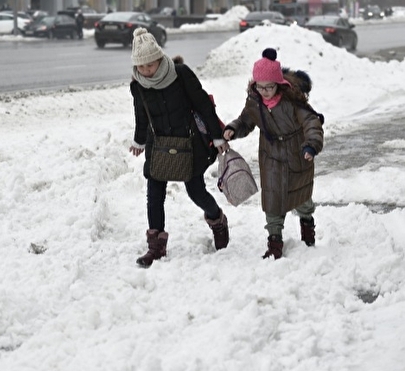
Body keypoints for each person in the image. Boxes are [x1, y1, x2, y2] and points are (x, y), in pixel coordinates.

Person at [128, 27, 229, 268]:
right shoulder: (138, 84)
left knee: (195, 192)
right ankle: (155, 246)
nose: (146, 71)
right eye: (140, 67)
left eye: (149, 65)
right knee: (154, 196)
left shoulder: (180, 74)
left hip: (189, 143)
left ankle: (217, 219)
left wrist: (217, 136)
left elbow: (204, 104)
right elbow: (141, 115)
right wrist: (139, 140)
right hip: (158, 144)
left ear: (159, 58)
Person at [222, 48, 324, 259]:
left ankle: (307, 225)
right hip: (271, 155)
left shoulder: (292, 100)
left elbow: (311, 122)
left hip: (297, 151)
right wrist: (233, 128)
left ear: (279, 84)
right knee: (272, 198)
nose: (264, 91)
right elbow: (245, 121)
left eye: (269, 87)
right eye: (260, 87)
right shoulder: (254, 101)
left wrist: (311, 145)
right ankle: (274, 241)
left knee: (301, 195)